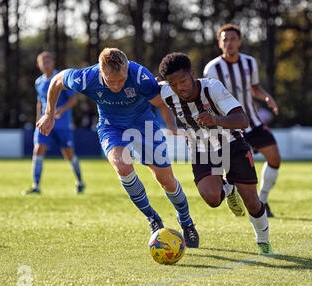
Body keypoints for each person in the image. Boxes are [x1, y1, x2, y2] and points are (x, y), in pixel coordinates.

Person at [36, 48, 199, 247]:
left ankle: (186, 221)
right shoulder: (86, 78)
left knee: (166, 180)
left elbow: (162, 105)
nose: (115, 86)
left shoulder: (140, 77)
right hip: (111, 126)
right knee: (122, 167)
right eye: (109, 81)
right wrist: (49, 114)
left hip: (143, 124)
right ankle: (152, 218)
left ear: (127, 69)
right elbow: (56, 82)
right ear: (100, 72)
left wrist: (172, 129)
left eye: (120, 81)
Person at [159, 52, 273, 255]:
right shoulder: (166, 92)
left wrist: (217, 120)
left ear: (192, 74)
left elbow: (243, 120)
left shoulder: (213, 88)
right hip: (201, 149)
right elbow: (143, 87)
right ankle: (229, 188)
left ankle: (263, 241)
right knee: (212, 199)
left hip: (232, 144)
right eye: (173, 84)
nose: (180, 88)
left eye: (183, 81)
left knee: (252, 203)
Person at [203, 23, 280, 218]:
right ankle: (233, 192)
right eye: (225, 40)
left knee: (275, 158)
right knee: (238, 170)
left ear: (240, 41)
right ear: (220, 43)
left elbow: (255, 88)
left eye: (233, 39)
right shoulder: (212, 68)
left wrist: (267, 98)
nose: (229, 43)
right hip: (228, 127)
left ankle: (263, 198)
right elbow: (208, 98)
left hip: (252, 121)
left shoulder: (250, 63)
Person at [23, 51, 85, 195]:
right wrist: (38, 120)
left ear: (53, 63)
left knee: (68, 154)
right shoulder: (38, 82)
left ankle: (80, 182)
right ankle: (36, 186)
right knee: (38, 150)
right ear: (38, 65)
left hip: (62, 124)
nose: (45, 64)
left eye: (48, 61)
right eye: (42, 62)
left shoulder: (61, 78)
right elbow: (39, 102)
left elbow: (73, 99)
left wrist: (61, 110)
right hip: (44, 124)